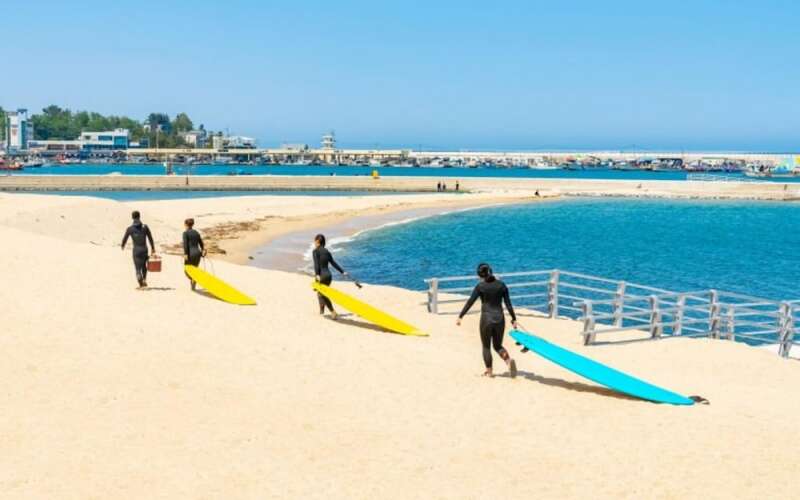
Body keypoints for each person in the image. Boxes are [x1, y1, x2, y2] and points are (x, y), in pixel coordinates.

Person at [456, 263, 518, 377]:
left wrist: (461, 316)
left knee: (486, 347)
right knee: (498, 346)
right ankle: (508, 362)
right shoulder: (502, 285)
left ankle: (489, 372)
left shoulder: (480, 286)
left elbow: (470, 302)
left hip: (486, 319)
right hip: (499, 318)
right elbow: (508, 304)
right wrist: (514, 319)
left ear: (480, 275)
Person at [312, 234, 348, 319]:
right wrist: (342, 272)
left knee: (322, 294)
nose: (314, 243)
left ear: (317, 241)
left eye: (315, 241)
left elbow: (316, 265)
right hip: (329, 276)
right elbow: (333, 263)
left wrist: (317, 275)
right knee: (320, 293)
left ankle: (332, 312)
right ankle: (322, 311)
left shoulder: (315, 251)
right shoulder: (327, 252)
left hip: (322, 276)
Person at [121, 210, 156, 288]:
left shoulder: (130, 229)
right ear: (139, 216)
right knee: (144, 266)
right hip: (144, 249)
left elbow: (125, 238)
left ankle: (139, 279)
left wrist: (123, 245)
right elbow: (150, 238)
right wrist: (153, 248)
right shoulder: (145, 227)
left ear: (132, 217)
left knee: (137, 268)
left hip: (136, 250)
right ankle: (144, 280)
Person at [182, 218, 207, 290]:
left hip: (190, 254)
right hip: (197, 253)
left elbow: (185, 245)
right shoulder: (196, 232)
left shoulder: (185, 233)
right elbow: (201, 243)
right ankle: (193, 281)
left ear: (185, 224)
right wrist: (203, 250)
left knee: (187, 270)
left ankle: (192, 279)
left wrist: (186, 254)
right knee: (195, 269)